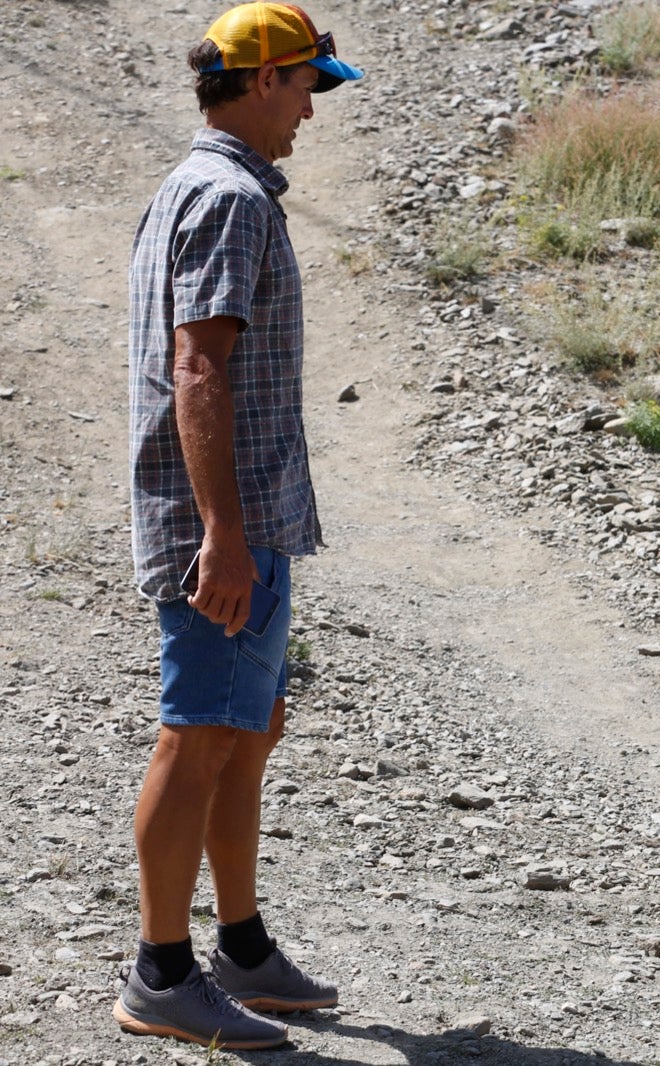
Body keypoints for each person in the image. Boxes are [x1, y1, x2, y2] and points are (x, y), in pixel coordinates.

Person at [118, 3, 362, 1050]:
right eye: (310, 83)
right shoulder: (227, 201)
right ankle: (162, 972)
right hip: (223, 526)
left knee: (245, 733)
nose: (314, 105)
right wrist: (220, 532)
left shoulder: (207, 188)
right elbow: (199, 367)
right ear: (265, 82)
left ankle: (242, 947)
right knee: (200, 732)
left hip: (250, 518)